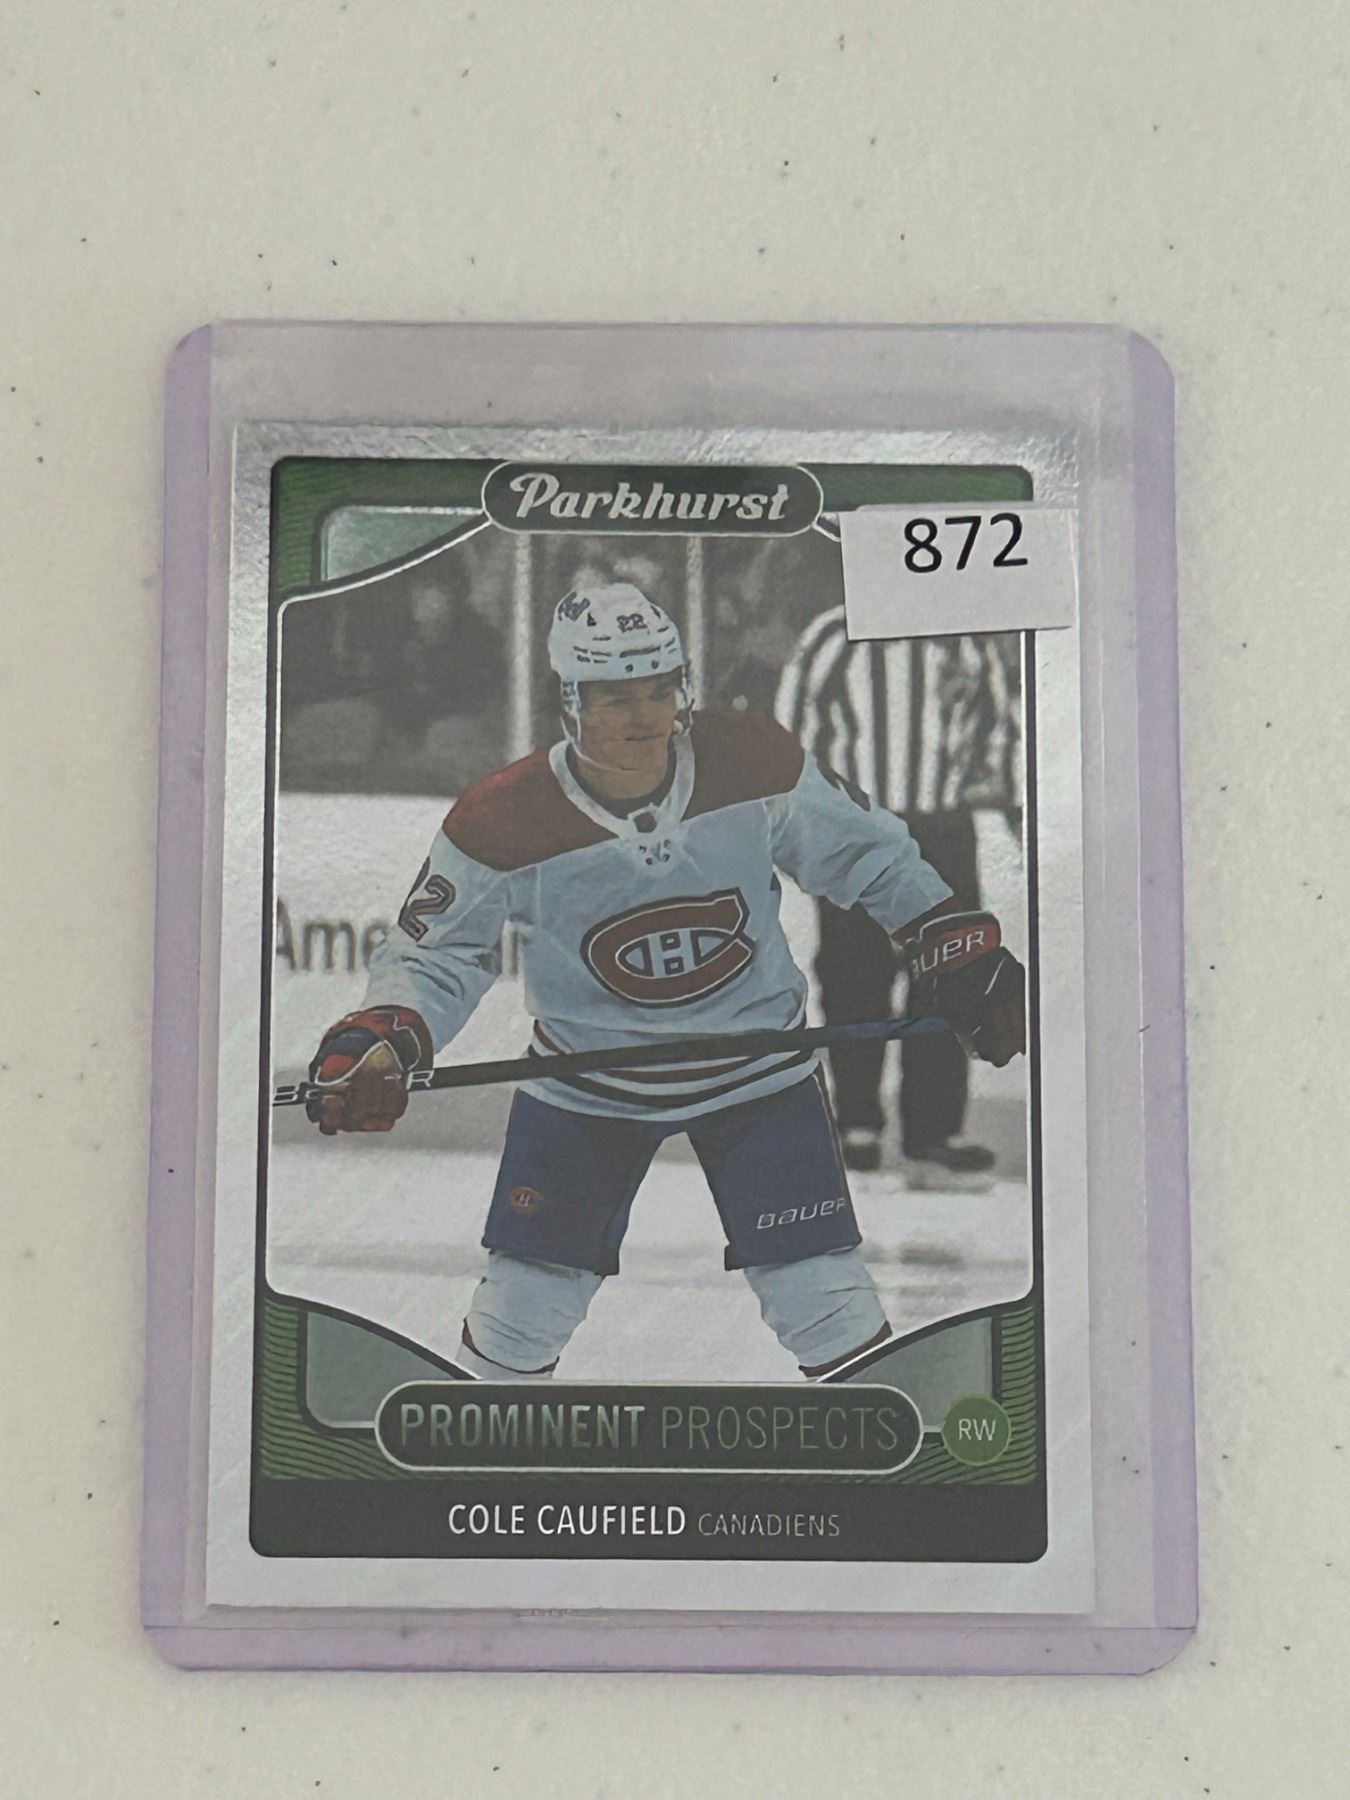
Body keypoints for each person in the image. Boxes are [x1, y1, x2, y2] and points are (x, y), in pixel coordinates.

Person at [304, 585, 1025, 1381]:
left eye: (661, 688)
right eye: (617, 697)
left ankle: (881, 1455)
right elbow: (435, 954)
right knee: (520, 1314)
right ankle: (484, 1451)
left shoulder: (753, 760)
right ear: (570, 702)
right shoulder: (501, 817)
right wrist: (387, 1033)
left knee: (825, 1300)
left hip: (758, 1074)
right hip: (586, 1086)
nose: (647, 716)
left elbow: (870, 854)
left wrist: (952, 944)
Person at [776, 611, 1022, 1186]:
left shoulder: (965, 637)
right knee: (853, 971)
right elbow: (792, 732)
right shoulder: (833, 635)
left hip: (942, 824)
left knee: (951, 971)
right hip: (855, 822)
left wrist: (1012, 805)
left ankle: (933, 1131)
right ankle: (856, 1122)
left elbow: (1000, 726)